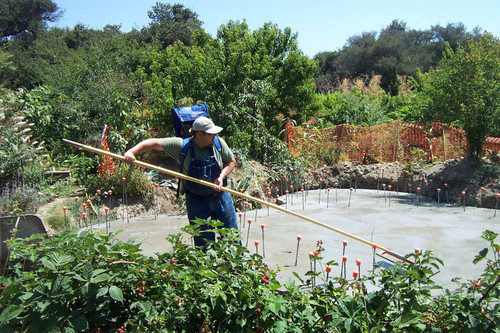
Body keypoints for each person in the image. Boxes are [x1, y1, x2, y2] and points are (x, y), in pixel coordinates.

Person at [124, 116, 239, 247]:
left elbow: (231, 161)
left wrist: (221, 176)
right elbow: (153, 143)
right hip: (196, 202)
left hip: (221, 198)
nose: (215, 136)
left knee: (233, 239)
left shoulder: (218, 144)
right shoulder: (182, 146)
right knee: (204, 245)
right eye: (211, 134)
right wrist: (131, 152)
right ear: (199, 134)